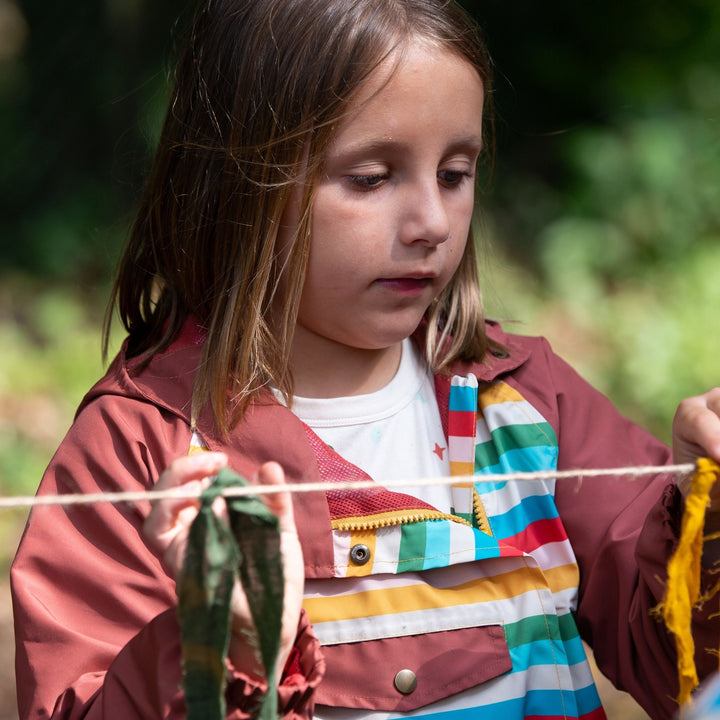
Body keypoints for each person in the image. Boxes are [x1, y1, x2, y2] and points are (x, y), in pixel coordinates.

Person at [11, 0, 720, 718]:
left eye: (454, 173)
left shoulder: (528, 403)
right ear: (235, 185)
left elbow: (681, 665)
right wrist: (229, 651)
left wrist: (712, 519)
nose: (432, 223)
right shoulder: (144, 452)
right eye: (371, 178)